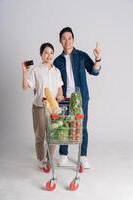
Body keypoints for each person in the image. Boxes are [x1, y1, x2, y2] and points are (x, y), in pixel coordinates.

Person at [53, 27, 102, 169]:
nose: (67, 40)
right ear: (60, 41)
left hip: (81, 98)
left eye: (69, 37)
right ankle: (63, 155)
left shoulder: (81, 56)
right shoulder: (57, 61)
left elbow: (94, 71)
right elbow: (55, 82)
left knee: (82, 127)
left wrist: (98, 58)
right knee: (64, 126)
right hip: (64, 98)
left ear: (73, 39)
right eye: (64, 38)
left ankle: (83, 156)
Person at [22, 43, 63, 170]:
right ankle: (41, 159)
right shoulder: (35, 70)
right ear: (41, 54)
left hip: (53, 108)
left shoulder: (57, 71)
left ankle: (49, 158)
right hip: (39, 107)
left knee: (54, 134)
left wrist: (60, 96)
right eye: (46, 52)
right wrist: (24, 72)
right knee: (40, 135)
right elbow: (25, 87)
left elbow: (59, 89)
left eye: (51, 52)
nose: (49, 55)